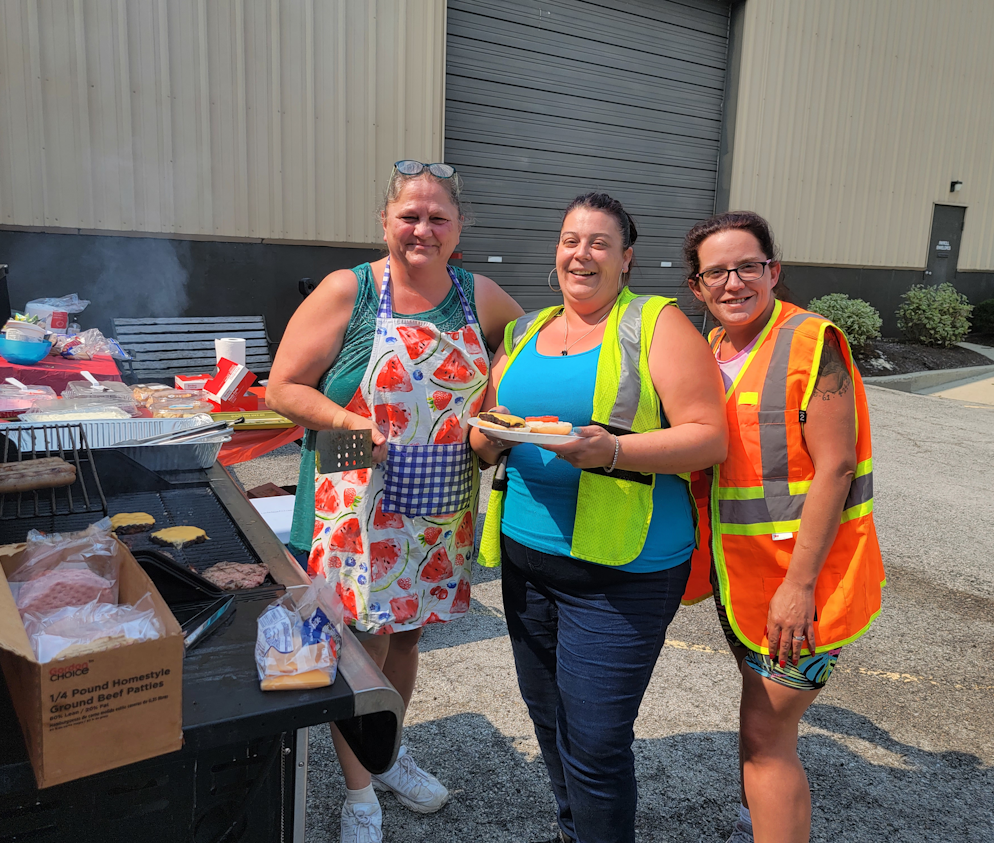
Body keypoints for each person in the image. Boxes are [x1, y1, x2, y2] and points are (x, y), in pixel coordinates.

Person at [267, 160, 523, 843]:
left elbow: (528, 359)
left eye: (438, 216)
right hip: (354, 493)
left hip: (441, 500)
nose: (423, 228)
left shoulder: (481, 296)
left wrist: (497, 407)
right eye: (409, 215)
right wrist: (351, 422)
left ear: (459, 228)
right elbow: (283, 386)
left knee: (406, 634)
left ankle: (385, 752)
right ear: (385, 221)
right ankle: (359, 797)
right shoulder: (348, 291)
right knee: (356, 645)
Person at [469, 192, 728, 843]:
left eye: (598, 242)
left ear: (626, 258)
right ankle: (571, 829)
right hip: (528, 563)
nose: (580, 253)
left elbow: (709, 436)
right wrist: (489, 432)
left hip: (623, 573)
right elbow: (490, 430)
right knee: (550, 722)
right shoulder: (527, 329)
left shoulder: (656, 323)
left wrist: (612, 449)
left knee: (596, 744)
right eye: (570, 239)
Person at [683, 211, 885, 843]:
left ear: (774, 269)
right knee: (762, 729)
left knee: (766, 740)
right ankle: (765, 818)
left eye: (748, 266)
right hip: (742, 580)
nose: (734, 282)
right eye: (716, 271)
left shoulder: (811, 341)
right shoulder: (712, 349)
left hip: (807, 585)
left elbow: (836, 467)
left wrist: (798, 587)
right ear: (697, 286)